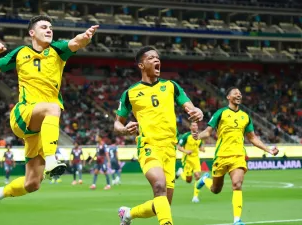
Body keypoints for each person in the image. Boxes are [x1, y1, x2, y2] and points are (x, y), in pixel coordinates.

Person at [0, 15, 98, 219]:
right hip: (23, 114)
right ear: (32, 33)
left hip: (39, 128)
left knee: (32, 184)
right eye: (44, 27)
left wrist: (86, 36)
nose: (49, 29)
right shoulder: (20, 53)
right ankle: (52, 160)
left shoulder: (58, 50)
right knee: (53, 108)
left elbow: (75, 42)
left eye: (51, 27)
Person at [114, 46, 203, 225]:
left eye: (158, 58)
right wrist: (124, 129)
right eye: (152, 58)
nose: (157, 60)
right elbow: (117, 123)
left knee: (163, 204)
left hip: (170, 149)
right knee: (159, 186)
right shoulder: (130, 93)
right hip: (148, 146)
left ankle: (129, 214)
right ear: (141, 65)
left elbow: (189, 106)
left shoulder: (170, 86)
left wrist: (196, 111)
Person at [193, 87, 279, 225]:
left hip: (238, 156)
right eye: (235, 93)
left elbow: (253, 138)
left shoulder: (245, 117)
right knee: (215, 189)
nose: (239, 95)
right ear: (228, 97)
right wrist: (198, 136)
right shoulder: (220, 113)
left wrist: (268, 149)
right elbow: (207, 132)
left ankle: (237, 220)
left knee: (237, 184)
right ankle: (205, 180)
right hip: (221, 156)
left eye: (240, 93)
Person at [175, 122, 205, 203]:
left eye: (196, 125)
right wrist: (186, 151)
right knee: (188, 180)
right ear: (190, 127)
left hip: (195, 159)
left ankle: (195, 197)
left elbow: (201, 146)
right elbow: (179, 147)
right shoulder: (185, 136)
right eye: (193, 125)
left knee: (197, 176)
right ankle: (181, 172)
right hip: (187, 159)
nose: (195, 127)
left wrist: (202, 149)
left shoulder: (199, 137)